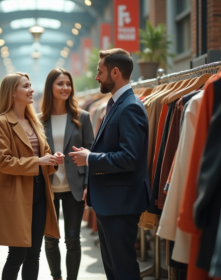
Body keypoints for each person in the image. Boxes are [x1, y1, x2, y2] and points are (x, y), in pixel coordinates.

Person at [69, 48, 150, 280]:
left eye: (100, 71)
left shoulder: (130, 106)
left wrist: (90, 158)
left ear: (115, 72)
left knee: (123, 269)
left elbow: (129, 158)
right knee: (113, 269)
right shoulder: (115, 104)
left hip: (121, 204)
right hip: (112, 203)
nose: (96, 77)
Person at [0, 72, 62, 280]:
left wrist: (52, 158)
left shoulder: (33, 121)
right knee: (17, 254)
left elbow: (45, 152)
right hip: (17, 193)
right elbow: (4, 162)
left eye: (30, 85)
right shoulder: (2, 123)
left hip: (40, 191)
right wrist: (39, 162)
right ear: (12, 93)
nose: (31, 89)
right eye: (26, 86)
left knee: (34, 254)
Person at [39, 68, 94, 280]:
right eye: (60, 84)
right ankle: (57, 277)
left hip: (75, 187)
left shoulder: (83, 117)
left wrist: (89, 184)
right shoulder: (38, 119)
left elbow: (90, 153)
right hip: (48, 187)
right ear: (50, 87)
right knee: (50, 238)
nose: (65, 88)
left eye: (68, 84)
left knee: (73, 238)